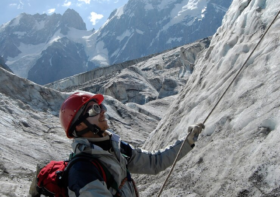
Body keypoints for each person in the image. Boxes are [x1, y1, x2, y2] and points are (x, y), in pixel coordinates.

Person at [59, 91, 205, 197]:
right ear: (79, 126)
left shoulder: (116, 148)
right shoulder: (82, 171)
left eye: (100, 106)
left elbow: (154, 162)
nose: (103, 111)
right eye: (94, 109)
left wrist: (186, 142)